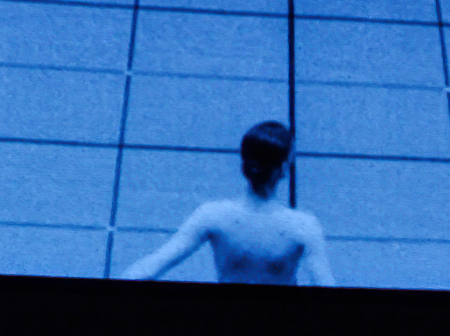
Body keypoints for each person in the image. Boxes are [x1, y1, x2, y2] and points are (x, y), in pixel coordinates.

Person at [119, 121, 337, 286]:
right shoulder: (304, 226)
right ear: (284, 168)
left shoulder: (213, 215)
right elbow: (327, 290)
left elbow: (153, 265)